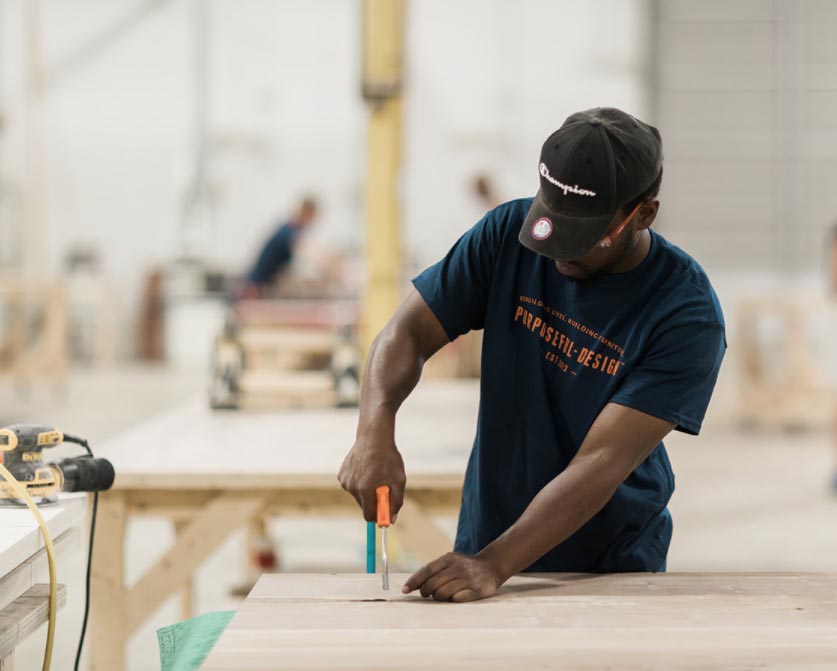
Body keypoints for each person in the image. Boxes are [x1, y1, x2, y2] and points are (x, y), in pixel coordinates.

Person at [338, 107, 727, 602]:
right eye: (551, 226)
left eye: (582, 237)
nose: (558, 252)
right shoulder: (505, 235)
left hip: (609, 570)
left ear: (643, 213)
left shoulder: (685, 313)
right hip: (487, 542)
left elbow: (602, 462)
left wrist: (493, 565)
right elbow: (407, 331)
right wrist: (374, 432)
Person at [243, 197, 318, 296]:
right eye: (311, 218)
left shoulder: (290, 230)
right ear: (306, 214)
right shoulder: (287, 232)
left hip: (261, 286)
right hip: (255, 289)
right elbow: (310, 251)